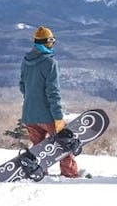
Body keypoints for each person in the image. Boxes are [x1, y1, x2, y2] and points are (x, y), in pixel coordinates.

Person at [19, 26, 78, 178]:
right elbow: (53, 92)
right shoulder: (50, 63)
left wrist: (32, 100)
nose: (53, 44)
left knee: (39, 148)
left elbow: (22, 86)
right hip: (48, 115)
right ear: (46, 43)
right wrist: (58, 117)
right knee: (63, 146)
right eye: (52, 41)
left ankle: (39, 171)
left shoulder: (26, 61)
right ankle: (69, 174)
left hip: (29, 113)